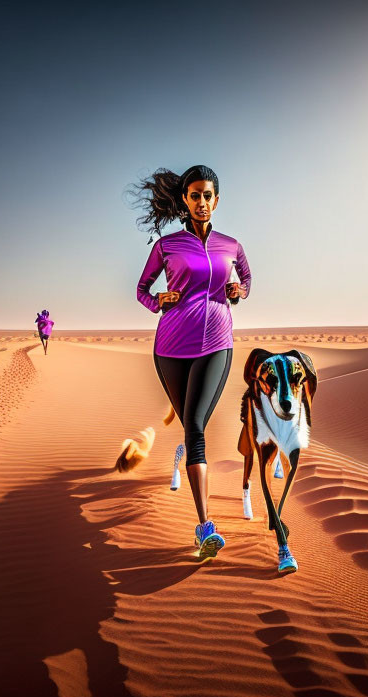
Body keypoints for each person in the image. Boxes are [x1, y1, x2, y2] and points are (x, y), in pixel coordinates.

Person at [132, 164, 251, 560]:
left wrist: (238, 290)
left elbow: (246, 281)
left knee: (196, 426)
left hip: (216, 342)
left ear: (217, 200)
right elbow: (142, 288)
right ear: (185, 199)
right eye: (195, 195)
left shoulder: (231, 245)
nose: (202, 202)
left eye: (208, 195)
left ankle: (204, 528)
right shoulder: (166, 246)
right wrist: (156, 302)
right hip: (170, 346)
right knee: (190, 426)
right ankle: (185, 452)